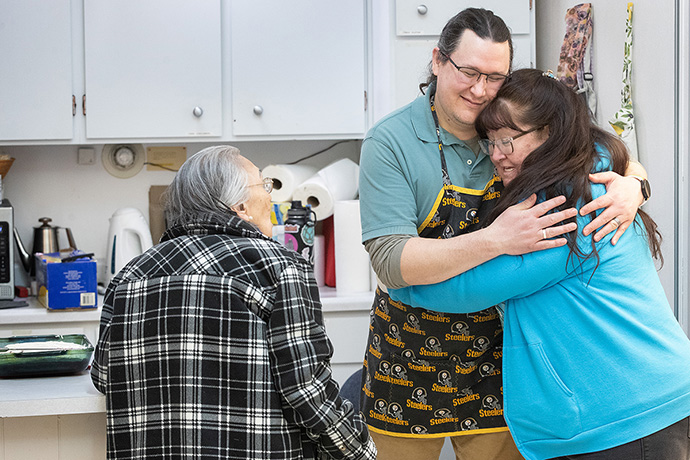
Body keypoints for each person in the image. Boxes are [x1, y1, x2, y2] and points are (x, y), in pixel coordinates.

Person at [358, 8, 649, 460]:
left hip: (499, 367)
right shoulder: (390, 141)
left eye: (494, 77)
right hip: (407, 363)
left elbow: (596, 150)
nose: (480, 91)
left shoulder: (510, 126)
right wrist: (496, 240)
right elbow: (392, 263)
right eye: (468, 72)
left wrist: (634, 185)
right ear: (438, 61)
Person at [389, 68, 690, 460]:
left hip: (630, 414)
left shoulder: (567, 208)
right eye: (490, 142)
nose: (497, 154)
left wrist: (396, 276)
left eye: (508, 141)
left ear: (549, 134)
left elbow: (470, 288)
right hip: (635, 405)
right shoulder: (586, 175)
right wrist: (637, 182)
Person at [91, 145, 377, 460]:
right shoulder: (281, 267)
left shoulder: (129, 277)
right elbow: (307, 393)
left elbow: (104, 376)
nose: (270, 196)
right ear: (240, 205)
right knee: (360, 385)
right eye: (264, 185)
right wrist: (363, 452)